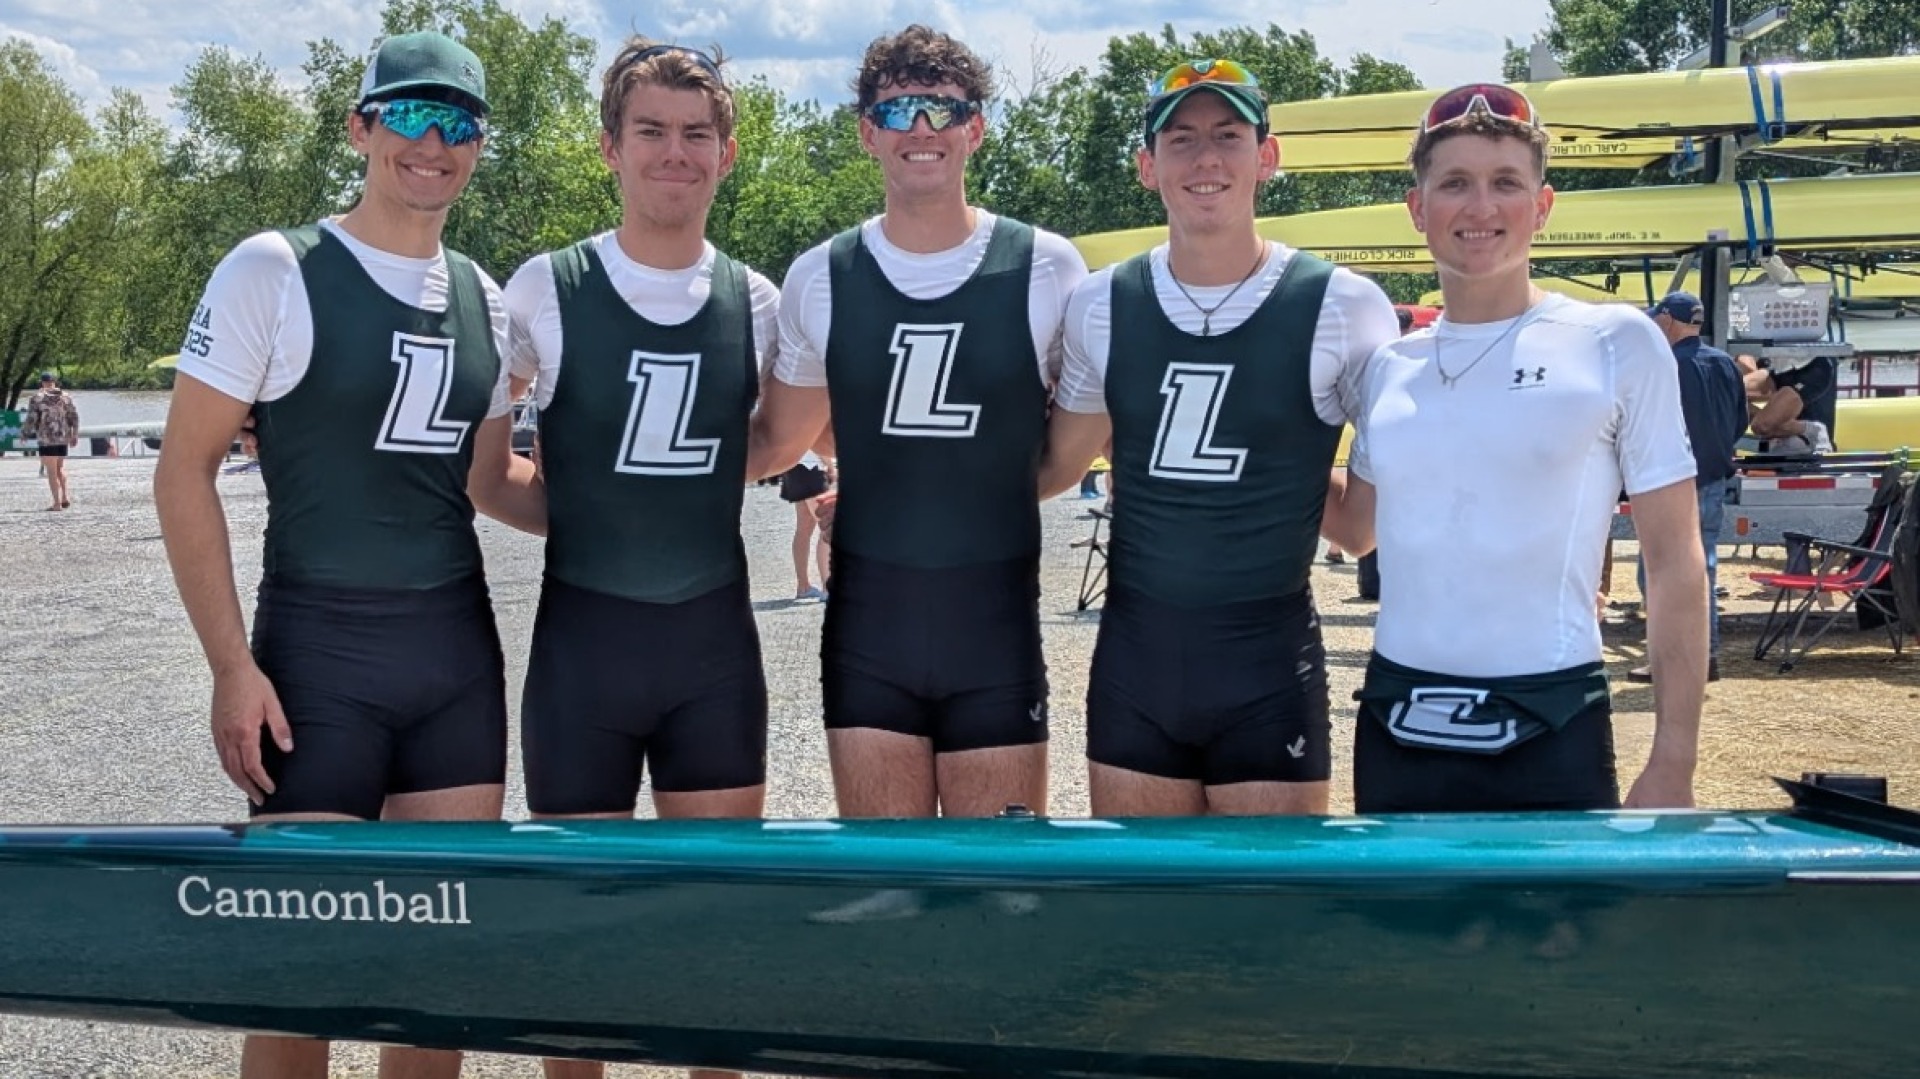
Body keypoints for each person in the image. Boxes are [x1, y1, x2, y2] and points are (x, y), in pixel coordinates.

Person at [152, 32, 539, 1079]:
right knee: (302, 976)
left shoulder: (485, 297)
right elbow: (183, 471)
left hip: (454, 657)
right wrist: (230, 664)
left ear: (478, 145)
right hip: (317, 659)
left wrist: (645, 510)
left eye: (458, 124)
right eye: (408, 116)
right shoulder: (275, 268)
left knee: (438, 980)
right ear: (360, 127)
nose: (433, 144)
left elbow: (491, 482)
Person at [495, 38, 778, 1079]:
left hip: (712, 653)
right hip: (584, 649)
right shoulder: (544, 288)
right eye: (650, 131)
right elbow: (485, 472)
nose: (674, 152)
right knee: (580, 937)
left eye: (696, 134)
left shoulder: (758, 301)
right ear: (609, 147)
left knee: (719, 926)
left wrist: (671, 507)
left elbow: (775, 445)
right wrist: (594, 522)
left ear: (726, 154)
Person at [1037, 59, 1400, 817]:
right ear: (1147, 166)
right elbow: (1055, 467)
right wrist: (891, 485)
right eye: (1181, 139)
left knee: (1266, 894)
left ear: (1267, 156)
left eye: (1228, 136)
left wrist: (1277, 473)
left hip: (1269, 668)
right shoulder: (1101, 302)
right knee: (1144, 891)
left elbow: (1360, 530)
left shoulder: (1344, 306)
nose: (1206, 158)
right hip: (1137, 665)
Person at [749, 25, 1088, 829]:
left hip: (995, 625)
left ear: (977, 128)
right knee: (888, 884)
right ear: (868, 131)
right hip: (871, 629)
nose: (923, 128)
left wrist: (965, 491)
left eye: (945, 110)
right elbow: (779, 440)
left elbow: (1064, 458)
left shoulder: (1048, 266)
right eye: (899, 110)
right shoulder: (820, 275)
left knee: (996, 886)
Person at [1338, 83, 1708, 814]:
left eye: (1505, 183)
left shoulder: (1614, 342)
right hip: (1396, 722)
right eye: (1455, 183)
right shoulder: (1390, 366)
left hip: (1552, 722)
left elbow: (1675, 562)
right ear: (1418, 209)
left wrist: (1674, 760)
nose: (1481, 207)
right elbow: (1356, 530)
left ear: (1541, 206)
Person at [1627, 291, 1747, 684]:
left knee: (1657, 573)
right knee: (1702, 568)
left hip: (1671, 483)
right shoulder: (1725, 363)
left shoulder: (1664, 366)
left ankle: (1670, 659)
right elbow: (1740, 421)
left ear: (1667, 320)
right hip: (1713, 478)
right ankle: (1704, 656)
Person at [1742, 350, 1836, 455]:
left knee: (1761, 426)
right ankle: (1784, 436)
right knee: (1730, 391)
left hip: (1809, 369)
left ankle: (1814, 430)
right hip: (1778, 370)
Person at [780, 451, 833, 599]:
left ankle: (803, 586)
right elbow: (817, 443)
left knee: (804, 529)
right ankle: (827, 588)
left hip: (795, 467)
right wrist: (831, 466)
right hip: (813, 468)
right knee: (828, 528)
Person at [25, 372, 79, 509]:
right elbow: (74, 417)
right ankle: (65, 496)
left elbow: (32, 418)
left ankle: (56, 503)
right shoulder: (66, 397)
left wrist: (25, 433)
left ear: (42, 382)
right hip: (63, 437)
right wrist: (74, 434)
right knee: (60, 468)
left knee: (51, 471)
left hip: (46, 438)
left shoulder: (37, 398)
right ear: (54, 382)